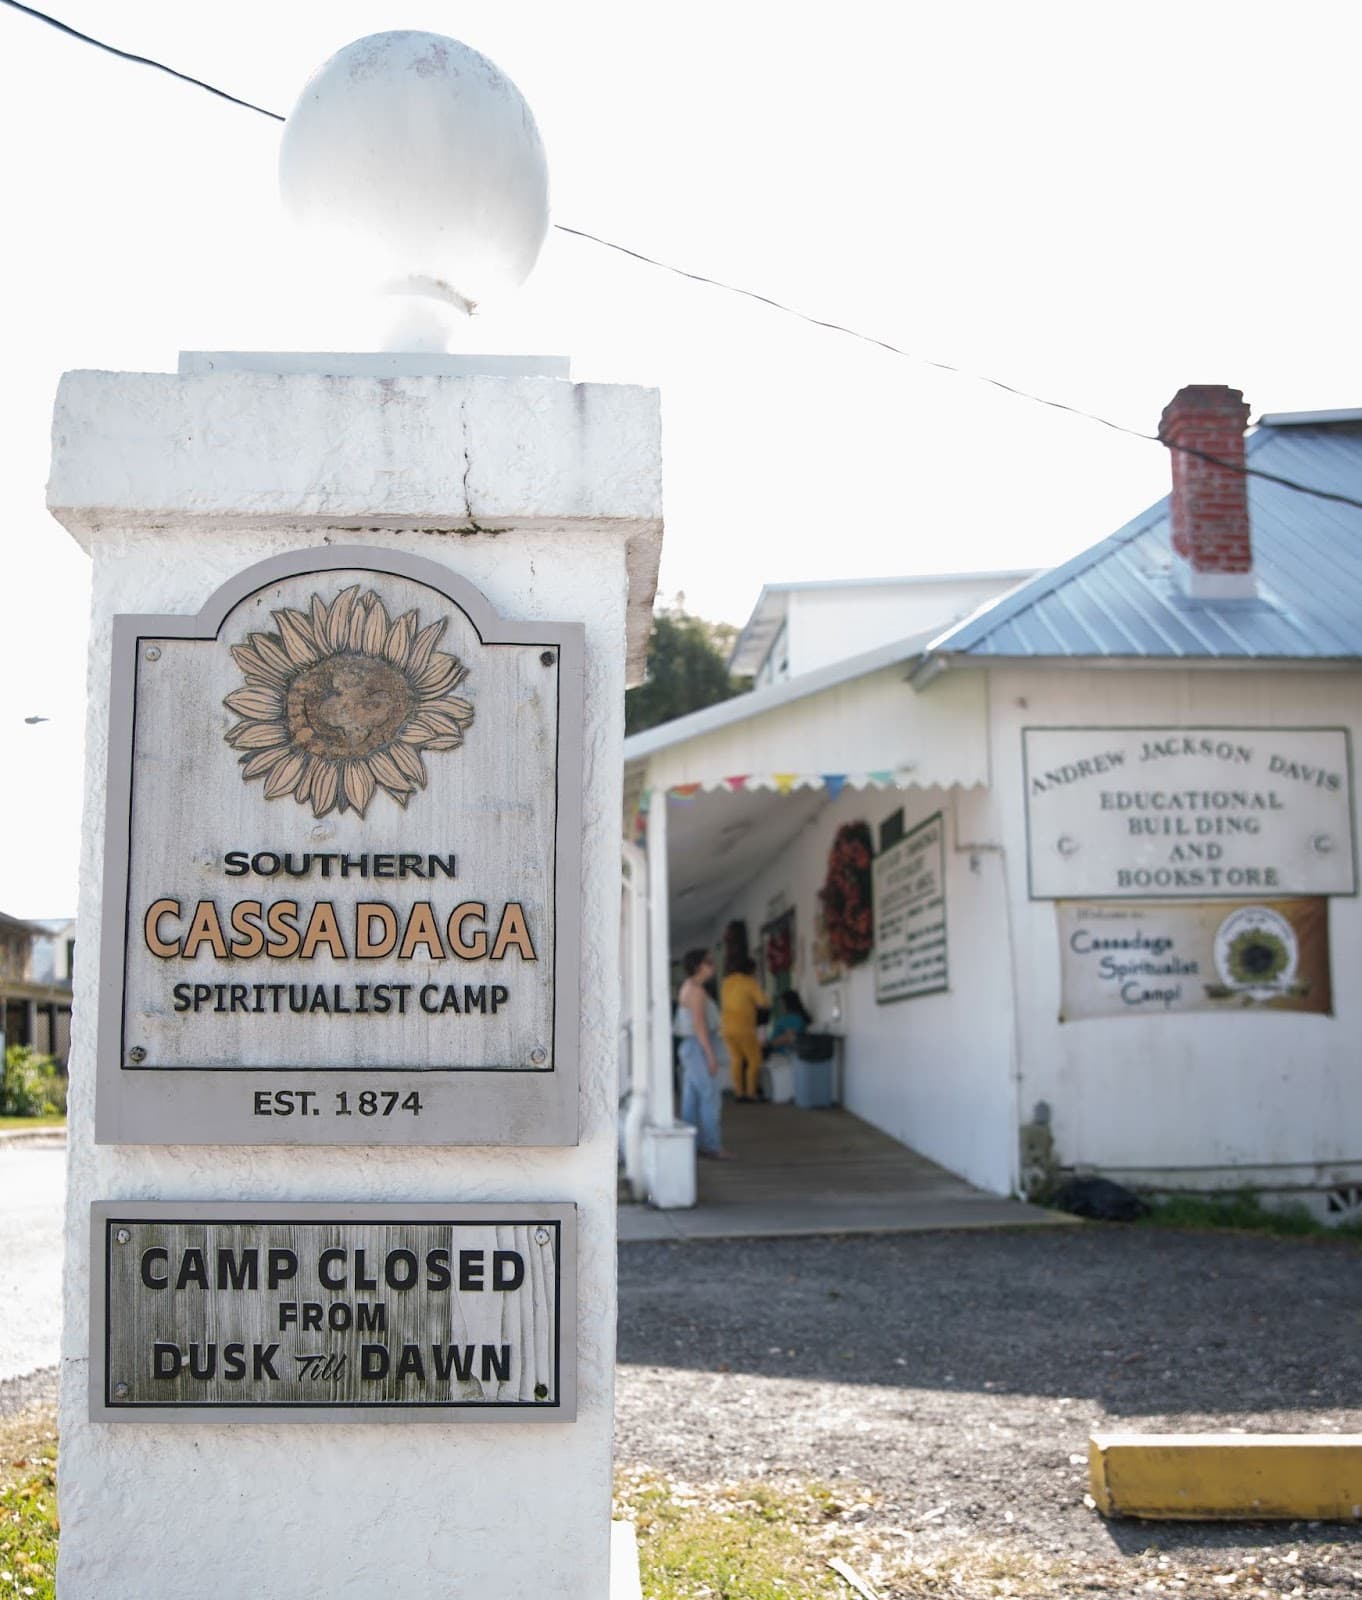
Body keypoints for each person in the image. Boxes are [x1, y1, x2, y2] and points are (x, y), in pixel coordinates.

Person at [675, 949, 733, 1159]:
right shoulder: (696, 991)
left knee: (692, 1097)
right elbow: (699, 1025)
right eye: (708, 961)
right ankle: (712, 1145)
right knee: (710, 1096)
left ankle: (691, 1144)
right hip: (698, 1046)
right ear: (698, 965)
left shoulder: (690, 987)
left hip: (691, 1046)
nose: (713, 965)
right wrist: (710, 1055)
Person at [720, 956, 770, 1103]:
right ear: (750, 969)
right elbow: (763, 1002)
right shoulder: (749, 982)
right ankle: (751, 1093)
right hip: (744, 1027)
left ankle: (739, 1093)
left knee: (736, 1059)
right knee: (754, 1059)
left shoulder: (726, 982)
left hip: (726, 1027)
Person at [767, 988, 811, 1054]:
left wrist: (769, 1045)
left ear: (788, 1004)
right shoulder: (798, 1017)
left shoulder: (792, 1019)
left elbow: (789, 1037)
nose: (780, 1007)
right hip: (782, 1054)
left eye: (782, 1004)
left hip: (782, 1055)